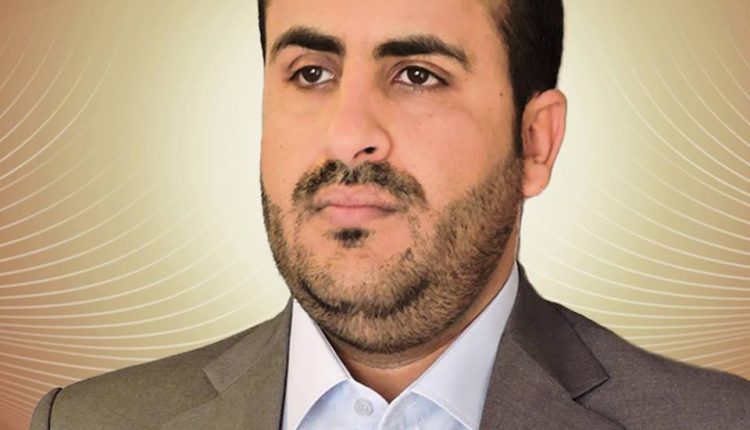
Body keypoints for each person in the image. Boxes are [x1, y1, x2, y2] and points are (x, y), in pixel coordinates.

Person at [30, 0, 750, 429]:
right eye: (311, 72)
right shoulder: (87, 423)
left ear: (535, 142)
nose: (349, 135)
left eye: (417, 75)